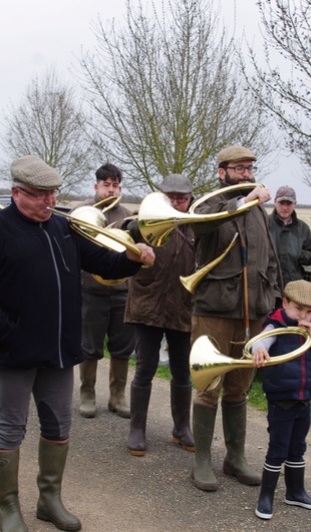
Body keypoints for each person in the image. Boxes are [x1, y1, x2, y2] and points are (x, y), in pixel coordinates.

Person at [0, 155, 155, 532]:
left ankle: (49, 501)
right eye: (39, 196)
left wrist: (134, 255)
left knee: (58, 424)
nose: (49, 203)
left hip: (59, 352)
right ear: (17, 192)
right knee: (10, 429)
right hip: (13, 353)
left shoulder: (65, 228)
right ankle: (8, 509)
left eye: (53, 194)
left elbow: (105, 264)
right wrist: (8, 333)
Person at [189, 145, 282, 492]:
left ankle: (235, 457)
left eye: (249, 168)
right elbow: (204, 227)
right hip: (214, 309)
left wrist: (274, 301)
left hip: (252, 312)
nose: (246, 173)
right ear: (222, 172)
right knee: (208, 385)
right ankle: (201, 460)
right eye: (239, 169)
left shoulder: (260, 212)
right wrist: (241, 203)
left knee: (239, 389)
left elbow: (271, 259)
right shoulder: (209, 204)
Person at [124, 174, 196, 456]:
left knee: (182, 371)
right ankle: (137, 429)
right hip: (148, 305)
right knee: (145, 368)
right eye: (171, 197)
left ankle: (182, 428)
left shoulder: (195, 226)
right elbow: (125, 228)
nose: (177, 202)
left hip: (182, 306)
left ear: (190, 199)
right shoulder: (146, 216)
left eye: (182, 198)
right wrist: (138, 225)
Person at [251, 280, 311, 519]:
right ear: (285, 303)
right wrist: (259, 349)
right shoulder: (276, 324)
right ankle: (265, 497)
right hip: (281, 398)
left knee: (298, 447)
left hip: (303, 398)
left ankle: (295, 492)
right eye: (298, 309)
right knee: (278, 449)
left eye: (309, 312)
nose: (303, 316)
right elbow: (261, 342)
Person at [77, 163, 136, 419]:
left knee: (122, 346)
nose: (110, 190)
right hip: (91, 289)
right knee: (89, 346)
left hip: (122, 290)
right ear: (96, 186)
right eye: (106, 185)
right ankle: (87, 394)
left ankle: (117, 396)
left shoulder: (128, 216)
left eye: (115, 185)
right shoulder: (83, 212)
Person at [268, 185, 311, 285]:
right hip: (269, 284)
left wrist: (301, 255)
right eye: (281, 203)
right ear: (275, 202)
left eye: (289, 203)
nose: (285, 207)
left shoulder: (303, 228)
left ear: (295, 204)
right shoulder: (264, 223)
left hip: (294, 284)